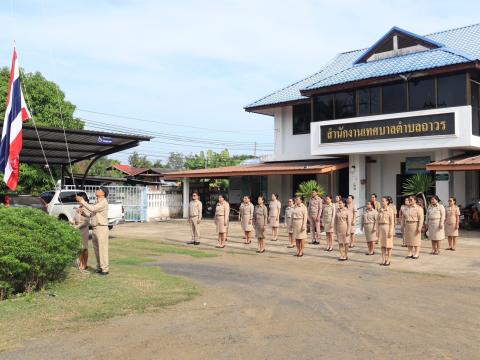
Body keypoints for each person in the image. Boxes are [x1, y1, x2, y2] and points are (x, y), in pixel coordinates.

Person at [76, 186, 110, 275]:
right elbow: (90, 213)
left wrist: (82, 201)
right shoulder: (97, 202)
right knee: (96, 249)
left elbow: (93, 209)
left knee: (102, 249)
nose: (97, 190)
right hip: (95, 228)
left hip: (101, 228)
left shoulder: (103, 202)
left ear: (103, 193)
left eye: (99, 190)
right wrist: (83, 212)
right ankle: (99, 267)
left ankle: (105, 269)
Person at [73, 197, 91, 271]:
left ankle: (85, 264)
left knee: (84, 248)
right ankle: (81, 263)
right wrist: (72, 223)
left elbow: (86, 221)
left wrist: (76, 227)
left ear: (85, 200)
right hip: (78, 230)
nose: (79, 201)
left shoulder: (87, 208)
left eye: (80, 200)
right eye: (79, 200)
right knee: (79, 248)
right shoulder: (78, 208)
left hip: (84, 230)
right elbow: (75, 219)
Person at [378, 197, 395, 266]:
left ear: (387, 202)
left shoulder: (390, 210)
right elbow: (377, 221)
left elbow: (392, 222)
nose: (382, 202)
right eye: (381, 201)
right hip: (381, 227)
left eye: (383, 201)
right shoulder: (380, 210)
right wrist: (377, 230)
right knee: (382, 245)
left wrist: (391, 231)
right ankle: (383, 259)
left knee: (388, 245)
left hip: (387, 227)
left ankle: (388, 259)